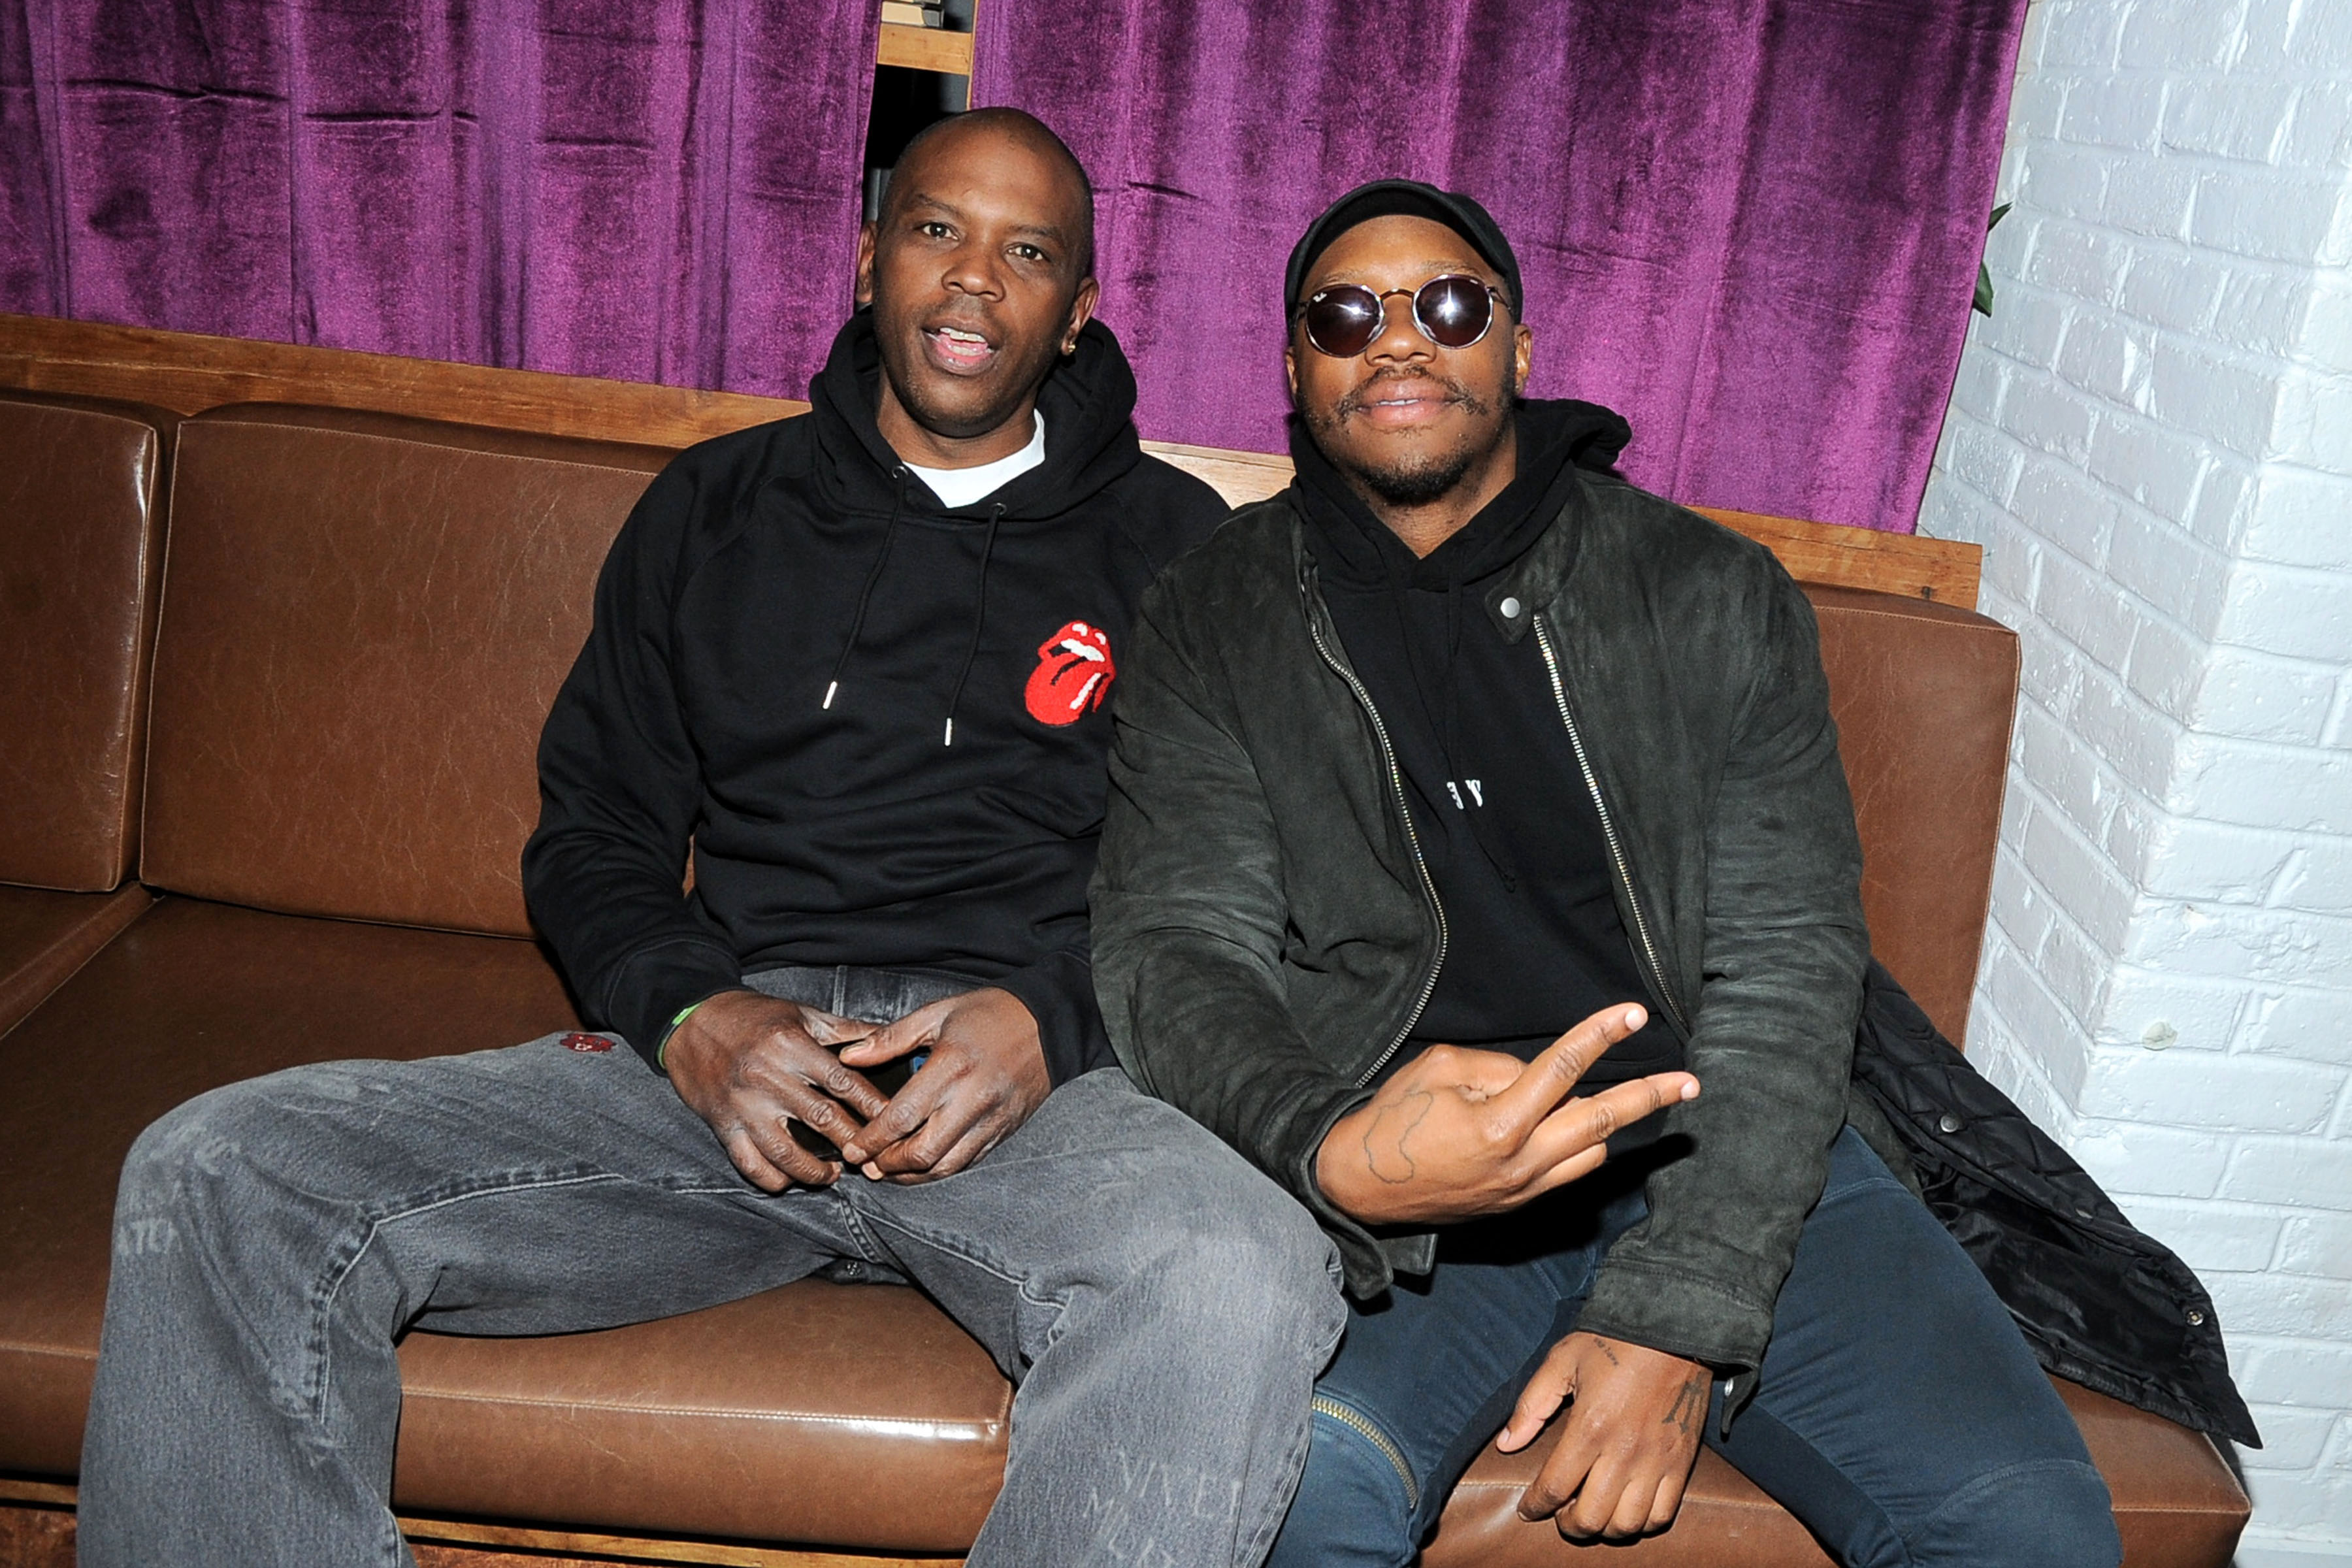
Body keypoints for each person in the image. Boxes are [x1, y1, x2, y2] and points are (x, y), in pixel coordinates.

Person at [82, 110, 1355, 1568]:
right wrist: (697, 1014)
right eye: (938, 230)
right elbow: (594, 834)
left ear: (1077, 314)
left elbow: (1234, 883)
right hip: (735, 1076)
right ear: (871, 257)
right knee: (222, 1171)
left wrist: (1049, 1023)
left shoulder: (1183, 548)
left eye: (1029, 254)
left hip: (1040, 1088)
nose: (973, 283)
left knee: (1240, 1269)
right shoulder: (715, 506)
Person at [1091, 179, 2127, 1567]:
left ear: (1517, 347)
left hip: (1718, 1145)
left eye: (1447, 304)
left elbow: (1784, 970)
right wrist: (1338, 1149)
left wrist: (1681, 1304)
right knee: (1296, 1503)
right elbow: (1177, 948)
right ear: (1296, 369)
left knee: (2028, 1529)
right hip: (1413, 1188)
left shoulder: (1706, 593)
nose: (1398, 338)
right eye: (1347, 315)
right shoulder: (1214, 614)